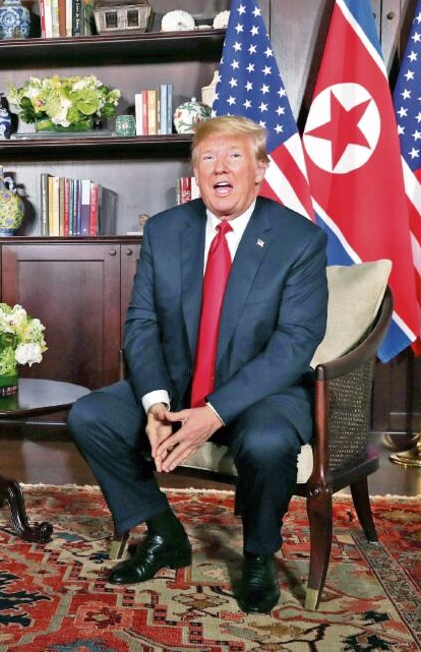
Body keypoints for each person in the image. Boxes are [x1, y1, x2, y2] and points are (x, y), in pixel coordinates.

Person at [68, 116, 328, 613]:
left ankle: (258, 555)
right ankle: (164, 533)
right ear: (195, 172)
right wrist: (155, 403)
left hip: (264, 394)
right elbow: (141, 322)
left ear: (260, 170)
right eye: (207, 158)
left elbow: (296, 342)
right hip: (181, 385)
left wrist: (216, 411)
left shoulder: (299, 240)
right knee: (91, 416)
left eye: (234, 156)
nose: (220, 168)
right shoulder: (166, 231)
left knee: (268, 441)